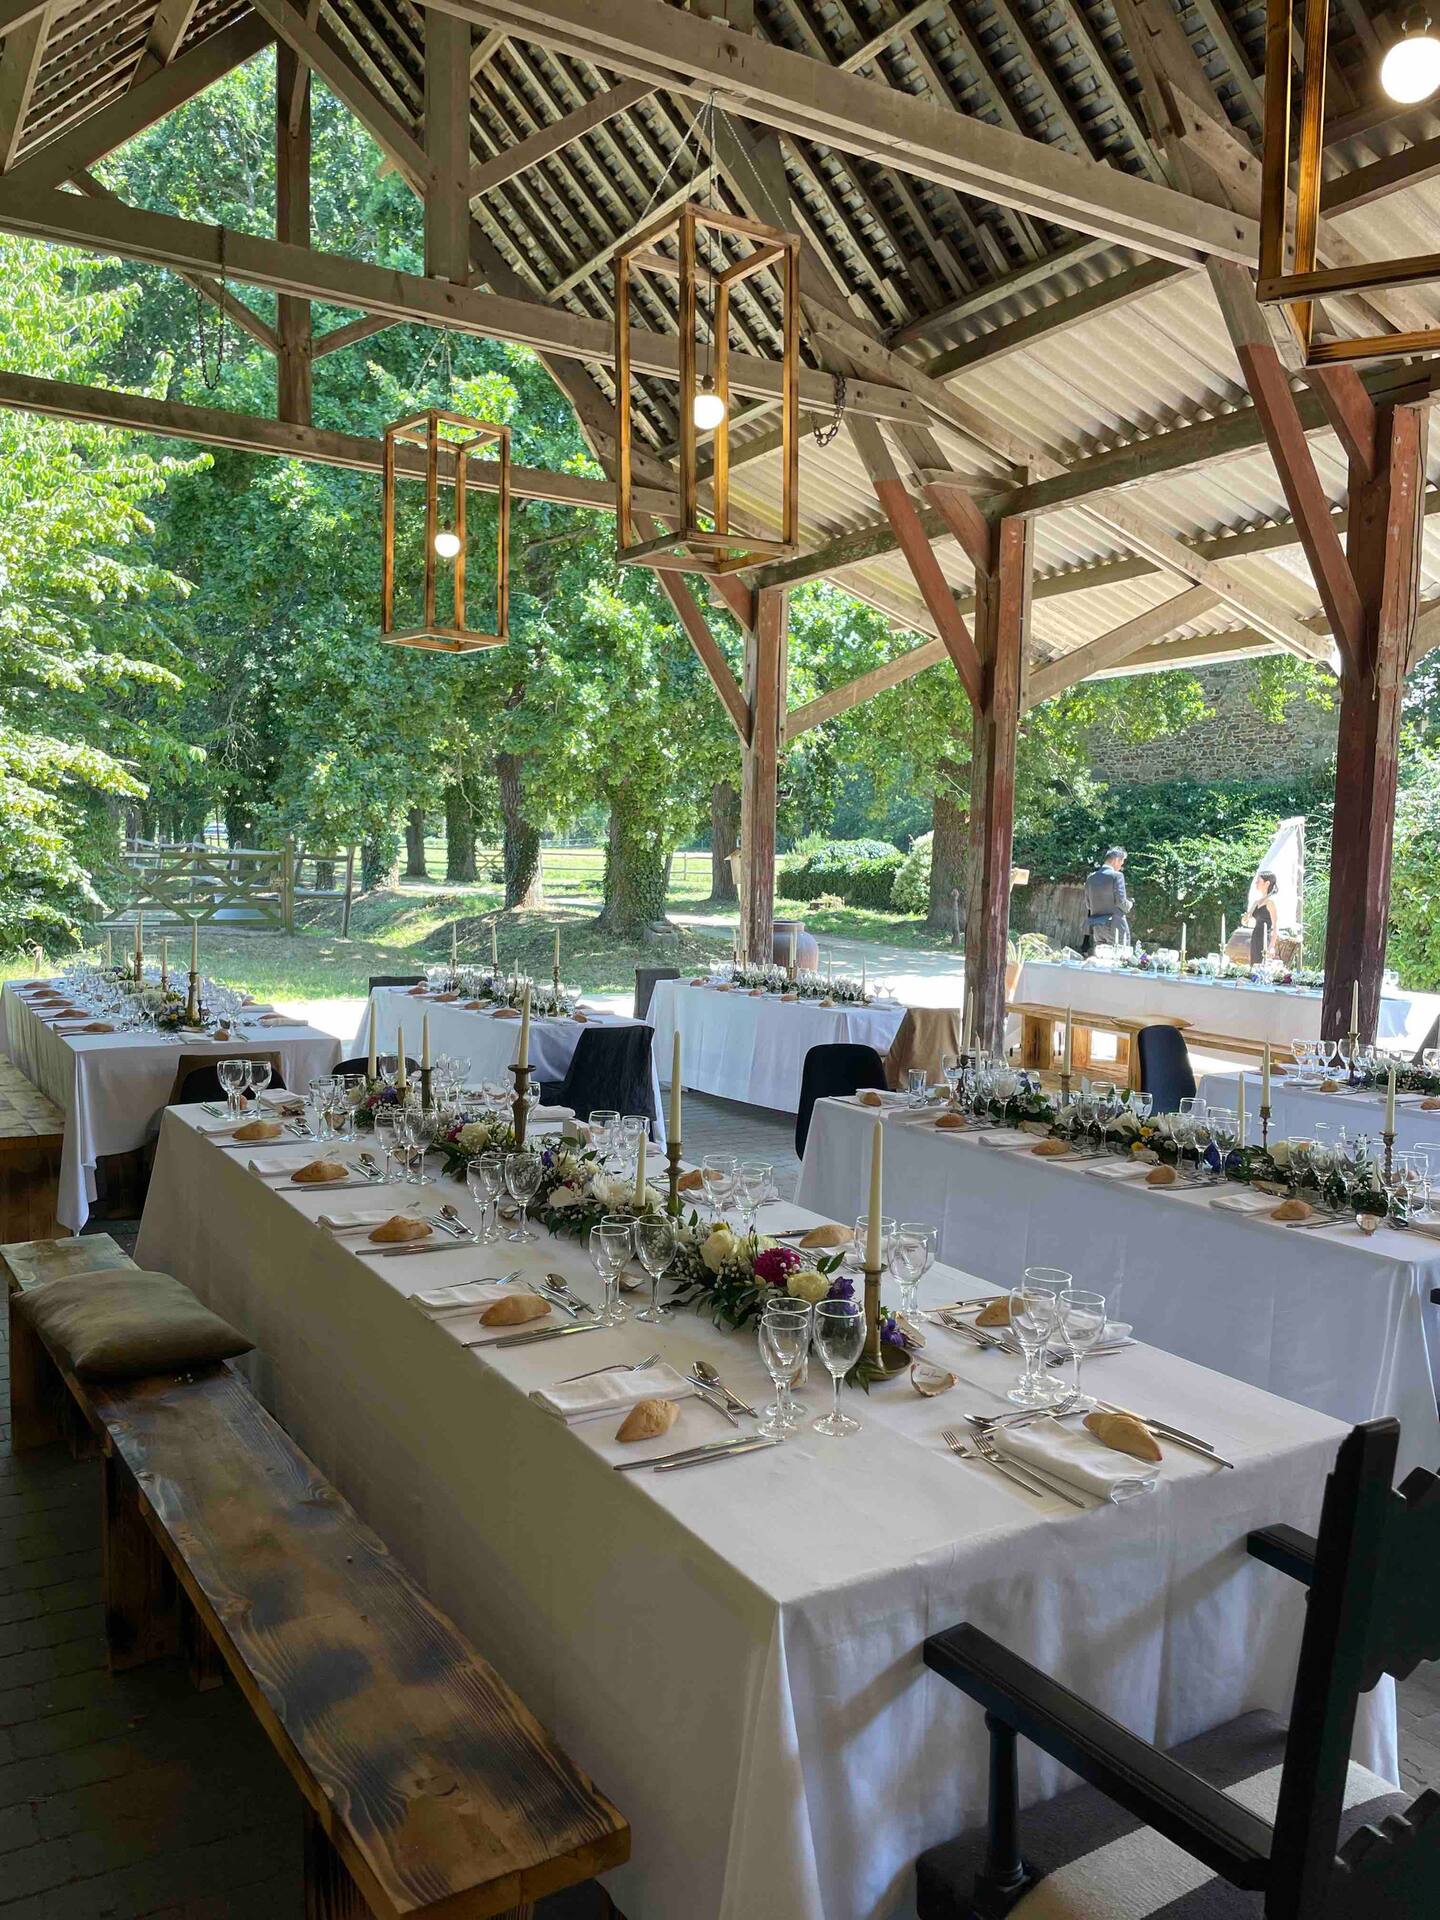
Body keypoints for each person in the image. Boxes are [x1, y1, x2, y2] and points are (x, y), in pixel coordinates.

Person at [1082, 847, 1131, 950]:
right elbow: (1121, 902)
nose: (1121, 865)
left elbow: (1088, 905)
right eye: (1122, 862)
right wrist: (1129, 905)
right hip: (1115, 925)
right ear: (1116, 859)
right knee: (1120, 959)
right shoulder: (1117, 876)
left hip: (1097, 927)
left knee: (1102, 961)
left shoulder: (1090, 878)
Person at [1249, 870, 1278, 966]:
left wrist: (1272, 946)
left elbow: (1275, 925)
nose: (1256, 883)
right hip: (1255, 937)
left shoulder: (1271, 902)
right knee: (1254, 966)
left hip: (1265, 938)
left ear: (1267, 883)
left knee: (1263, 967)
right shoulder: (1257, 902)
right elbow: (1246, 920)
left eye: (1258, 881)